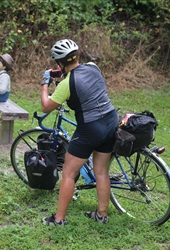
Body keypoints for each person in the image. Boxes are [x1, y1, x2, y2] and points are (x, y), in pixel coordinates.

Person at [40, 39, 119, 225]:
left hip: (90, 128)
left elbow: (45, 106)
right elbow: (84, 80)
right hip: (111, 120)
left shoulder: (66, 85)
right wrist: (64, 72)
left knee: (68, 173)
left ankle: (58, 219)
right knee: (101, 171)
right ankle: (102, 215)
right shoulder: (93, 67)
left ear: (59, 62)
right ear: (77, 55)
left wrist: (44, 83)